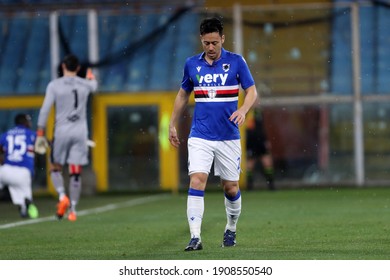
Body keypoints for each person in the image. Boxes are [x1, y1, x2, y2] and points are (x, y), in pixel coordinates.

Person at [168, 17, 258, 251]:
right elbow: (181, 95)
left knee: (231, 187)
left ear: (223, 39)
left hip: (228, 136)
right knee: (197, 179)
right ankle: (195, 237)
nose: (210, 48)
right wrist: (172, 124)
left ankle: (231, 227)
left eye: (215, 43)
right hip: (201, 135)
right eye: (206, 43)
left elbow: (252, 91)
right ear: (201, 40)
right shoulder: (191, 64)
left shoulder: (236, 62)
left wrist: (243, 109)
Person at [35, 54, 97, 222]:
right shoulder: (85, 84)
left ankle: (62, 196)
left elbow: (45, 109)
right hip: (80, 132)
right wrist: (90, 75)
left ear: (63, 66)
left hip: (61, 131)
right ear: (77, 68)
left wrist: (40, 131)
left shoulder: (54, 85)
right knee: (75, 172)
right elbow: (94, 85)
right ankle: (73, 210)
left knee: (55, 166)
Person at [0, 113, 39, 219]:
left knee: (14, 188)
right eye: (28, 121)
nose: (30, 123)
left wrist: (2, 159)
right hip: (23, 172)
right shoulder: (31, 134)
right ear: (24, 122)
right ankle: (26, 203)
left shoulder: (7, 134)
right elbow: (42, 145)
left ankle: (23, 207)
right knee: (25, 194)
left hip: (5, 170)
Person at [246, 107, 275, 191]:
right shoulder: (245, 111)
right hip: (251, 142)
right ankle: (249, 186)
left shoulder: (258, 112)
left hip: (261, 141)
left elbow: (261, 128)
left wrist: (265, 140)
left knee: (267, 163)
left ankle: (271, 185)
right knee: (250, 164)